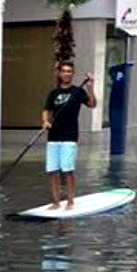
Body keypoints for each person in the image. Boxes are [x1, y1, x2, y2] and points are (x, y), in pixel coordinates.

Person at [42, 61, 96, 210]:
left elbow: (92, 104)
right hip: (53, 136)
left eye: (69, 71)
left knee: (67, 170)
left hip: (69, 136)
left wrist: (90, 87)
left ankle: (70, 202)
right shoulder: (53, 93)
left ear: (72, 74)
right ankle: (55, 202)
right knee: (52, 171)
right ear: (59, 73)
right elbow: (47, 110)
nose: (67, 73)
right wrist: (45, 121)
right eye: (64, 71)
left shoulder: (77, 92)